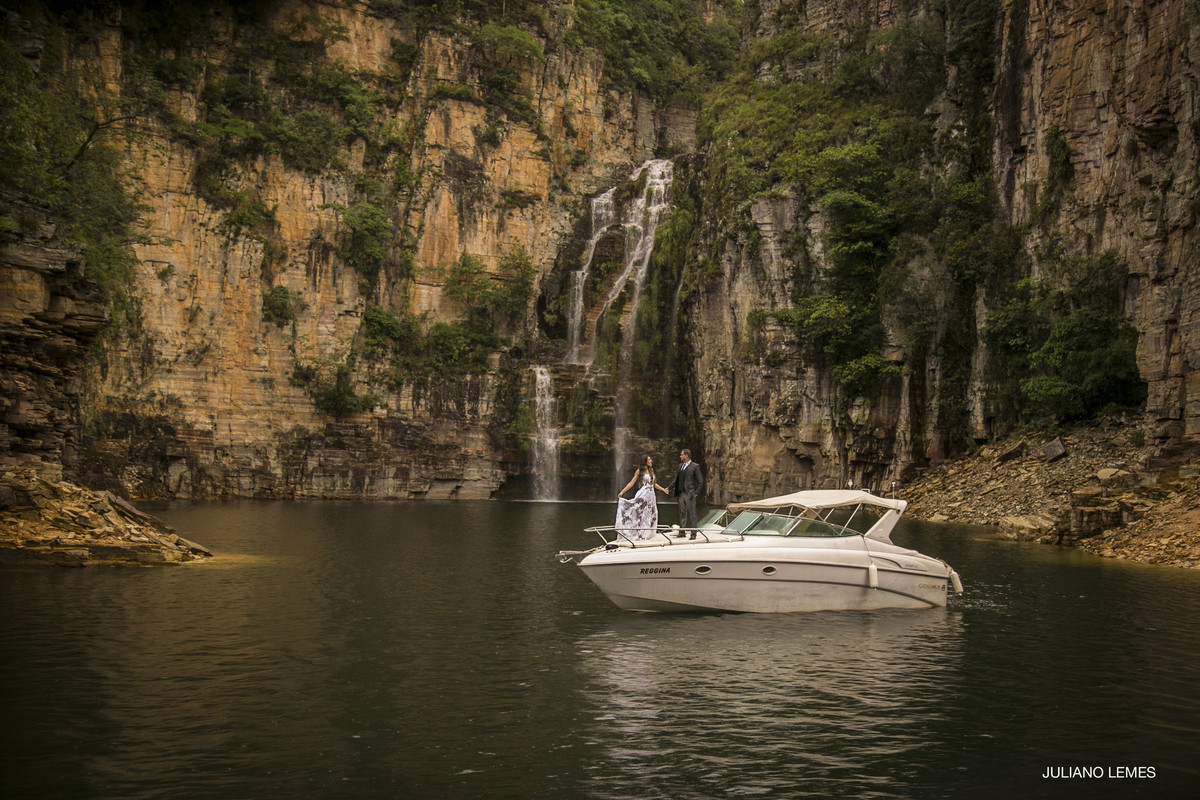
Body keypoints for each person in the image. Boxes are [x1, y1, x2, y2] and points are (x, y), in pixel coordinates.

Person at [615, 456, 668, 541]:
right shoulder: (639, 471)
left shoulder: (651, 470)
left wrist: (663, 490)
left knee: (653, 514)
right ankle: (640, 534)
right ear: (645, 461)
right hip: (643, 494)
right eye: (649, 459)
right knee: (641, 514)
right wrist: (622, 491)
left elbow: (654, 484)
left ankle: (648, 533)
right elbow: (631, 483)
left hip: (651, 495)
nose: (651, 460)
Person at [669, 448, 704, 537]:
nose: (680, 456)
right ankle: (682, 532)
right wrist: (669, 488)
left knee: (692, 514)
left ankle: (693, 533)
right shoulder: (680, 466)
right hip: (681, 493)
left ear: (686, 456)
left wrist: (696, 492)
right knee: (682, 513)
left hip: (690, 493)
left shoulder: (695, 466)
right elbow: (676, 479)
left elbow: (700, 480)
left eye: (681, 455)